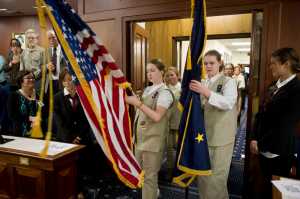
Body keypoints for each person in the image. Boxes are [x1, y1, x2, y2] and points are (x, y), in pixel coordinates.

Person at [250, 47, 300, 197]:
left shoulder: (297, 90)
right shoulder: (273, 85)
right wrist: (254, 138)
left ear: (286, 64)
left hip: (279, 150)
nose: (270, 66)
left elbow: (284, 124)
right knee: (264, 186)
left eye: (273, 63)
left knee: (276, 192)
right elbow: (260, 115)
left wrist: (260, 143)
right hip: (263, 147)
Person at [189, 50, 237, 199]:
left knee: (216, 180)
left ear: (219, 63)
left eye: (212, 63)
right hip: (204, 137)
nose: (208, 66)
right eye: (205, 63)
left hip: (221, 138)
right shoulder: (203, 82)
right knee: (204, 177)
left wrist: (206, 92)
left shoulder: (229, 82)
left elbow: (228, 103)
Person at [125, 59, 174, 199]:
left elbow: (157, 116)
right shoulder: (148, 89)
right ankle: (153, 193)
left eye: (153, 70)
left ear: (162, 72)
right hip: (140, 139)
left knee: (149, 178)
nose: (149, 74)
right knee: (142, 174)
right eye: (147, 71)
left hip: (153, 141)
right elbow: (142, 112)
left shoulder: (165, 92)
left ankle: (151, 194)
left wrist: (138, 104)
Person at [7, 71, 39, 137]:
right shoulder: (13, 95)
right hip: (20, 132)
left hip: (38, 131)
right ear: (21, 80)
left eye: (33, 78)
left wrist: (39, 118)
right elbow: (12, 115)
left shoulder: (39, 95)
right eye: (28, 78)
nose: (31, 80)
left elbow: (46, 110)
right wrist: (30, 118)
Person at [165, 66, 181, 178]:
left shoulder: (183, 89)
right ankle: (170, 170)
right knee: (169, 148)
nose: (170, 77)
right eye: (168, 75)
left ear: (177, 75)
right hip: (167, 122)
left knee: (180, 148)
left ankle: (180, 168)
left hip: (180, 122)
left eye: (172, 75)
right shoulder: (164, 89)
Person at [45, 30, 66, 94]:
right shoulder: (46, 51)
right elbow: (42, 65)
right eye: (49, 38)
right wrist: (47, 66)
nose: (51, 40)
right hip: (50, 82)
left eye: (53, 37)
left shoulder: (65, 50)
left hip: (62, 81)